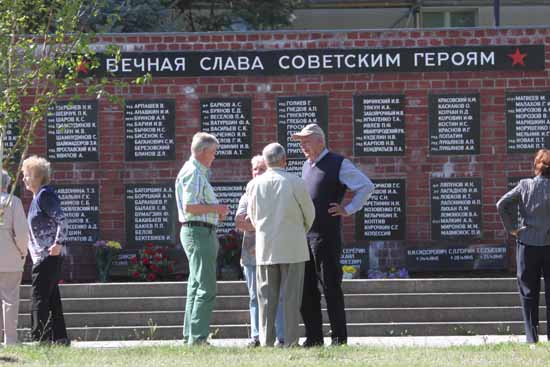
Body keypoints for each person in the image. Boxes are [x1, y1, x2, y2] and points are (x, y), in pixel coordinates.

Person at [292, 124, 374, 347]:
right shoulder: (305, 166)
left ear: (320, 141)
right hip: (305, 237)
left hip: (326, 237)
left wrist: (347, 209)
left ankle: (339, 338)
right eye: (300, 142)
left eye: (306, 141)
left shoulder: (338, 163)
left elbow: (366, 186)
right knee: (307, 289)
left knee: (330, 287)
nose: (302, 146)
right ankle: (314, 337)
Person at [246, 143, 315, 347]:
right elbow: (309, 214)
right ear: (284, 160)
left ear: (266, 162)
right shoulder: (295, 182)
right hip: (293, 246)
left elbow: (252, 216)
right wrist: (299, 230)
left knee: (266, 299)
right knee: (292, 298)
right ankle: (291, 340)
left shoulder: (254, 185)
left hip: (266, 247)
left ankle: (267, 341)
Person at [175, 132, 229, 346]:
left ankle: (191, 336)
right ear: (203, 151)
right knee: (206, 286)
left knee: (196, 285)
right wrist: (217, 208)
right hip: (198, 233)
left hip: (198, 231)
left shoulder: (196, 172)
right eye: (214, 152)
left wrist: (216, 212)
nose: (215, 157)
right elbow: (190, 207)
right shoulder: (194, 173)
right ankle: (198, 339)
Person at [497, 149, 550, 344]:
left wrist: (512, 229)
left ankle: (532, 338)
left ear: (537, 166)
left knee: (528, 292)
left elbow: (501, 204)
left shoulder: (524, 185)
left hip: (527, 244)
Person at [235, 155, 285, 347]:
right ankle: (256, 336)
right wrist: (266, 223)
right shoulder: (247, 195)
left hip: (275, 252)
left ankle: (281, 336)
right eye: (255, 169)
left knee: (278, 295)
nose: (258, 172)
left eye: (262, 169)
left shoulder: (280, 193)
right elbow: (240, 222)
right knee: (255, 297)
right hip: (251, 254)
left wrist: (254, 222)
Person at [22, 155, 69, 345]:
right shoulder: (37, 197)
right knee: (51, 297)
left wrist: (58, 243)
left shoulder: (44, 195)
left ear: (38, 176)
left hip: (48, 256)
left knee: (39, 297)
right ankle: (60, 338)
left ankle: (40, 339)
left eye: (27, 174)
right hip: (43, 257)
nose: (24, 178)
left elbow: (63, 221)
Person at [0, 170, 29, 345]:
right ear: (7, 184)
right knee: (10, 300)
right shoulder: (13, 202)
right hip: (10, 259)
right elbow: (22, 233)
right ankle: (10, 340)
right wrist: (22, 252)